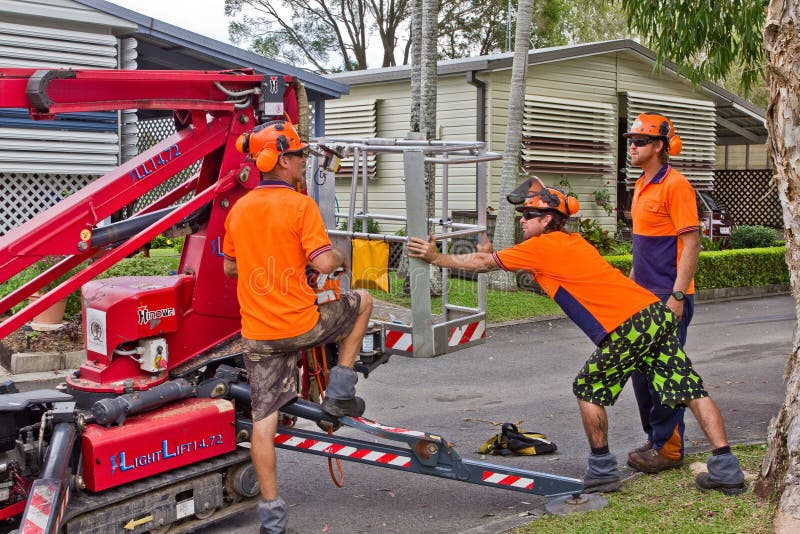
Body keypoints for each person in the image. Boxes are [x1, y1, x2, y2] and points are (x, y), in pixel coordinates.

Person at [406, 179, 745, 495]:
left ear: (549, 219)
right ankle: (726, 467)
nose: (523, 220)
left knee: (587, 387)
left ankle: (601, 469)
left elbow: (483, 263)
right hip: (654, 314)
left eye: (529, 215)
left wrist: (435, 257)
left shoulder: (544, 247)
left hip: (627, 325)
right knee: (688, 388)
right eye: (523, 214)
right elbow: (496, 259)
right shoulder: (572, 240)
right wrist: (492, 252)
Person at [223, 120, 373, 533]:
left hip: (258, 335)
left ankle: (271, 517)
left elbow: (230, 266)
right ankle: (341, 390)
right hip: (301, 326)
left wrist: (272, 262)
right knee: (363, 301)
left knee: (263, 423)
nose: (304, 162)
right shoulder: (300, 205)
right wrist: (339, 255)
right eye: (300, 156)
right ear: (282, 160)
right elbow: (325, 263)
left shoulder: (239, 209)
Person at [624, 113, 702, 474]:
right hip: (641, 295)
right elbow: (642, 247)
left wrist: (678, 296)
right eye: (631, 140)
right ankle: (656, 441)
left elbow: (691, 243)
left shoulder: (676, 185)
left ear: (659, 146)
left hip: (667, 297)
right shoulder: (642, 183)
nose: (632, 147)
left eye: (639, 142)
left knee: (663, 373)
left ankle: (670, 450)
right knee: (641, 374)